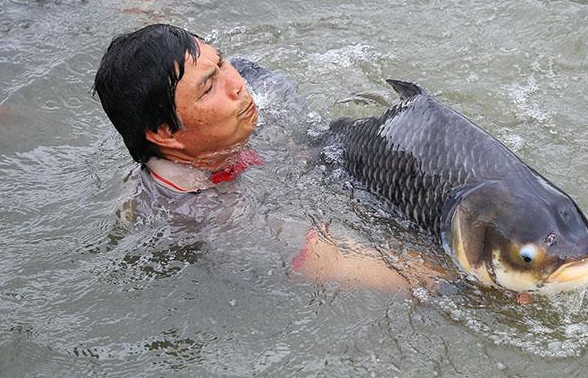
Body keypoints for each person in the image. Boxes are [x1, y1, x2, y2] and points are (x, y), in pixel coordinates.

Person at [93, 23, 440, 291]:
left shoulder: (227, 127)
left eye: (222, 63)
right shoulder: (196, 215)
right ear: (165, 133)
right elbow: (338, 259)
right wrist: (460, 277)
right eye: (209, 87)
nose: (237, 84)